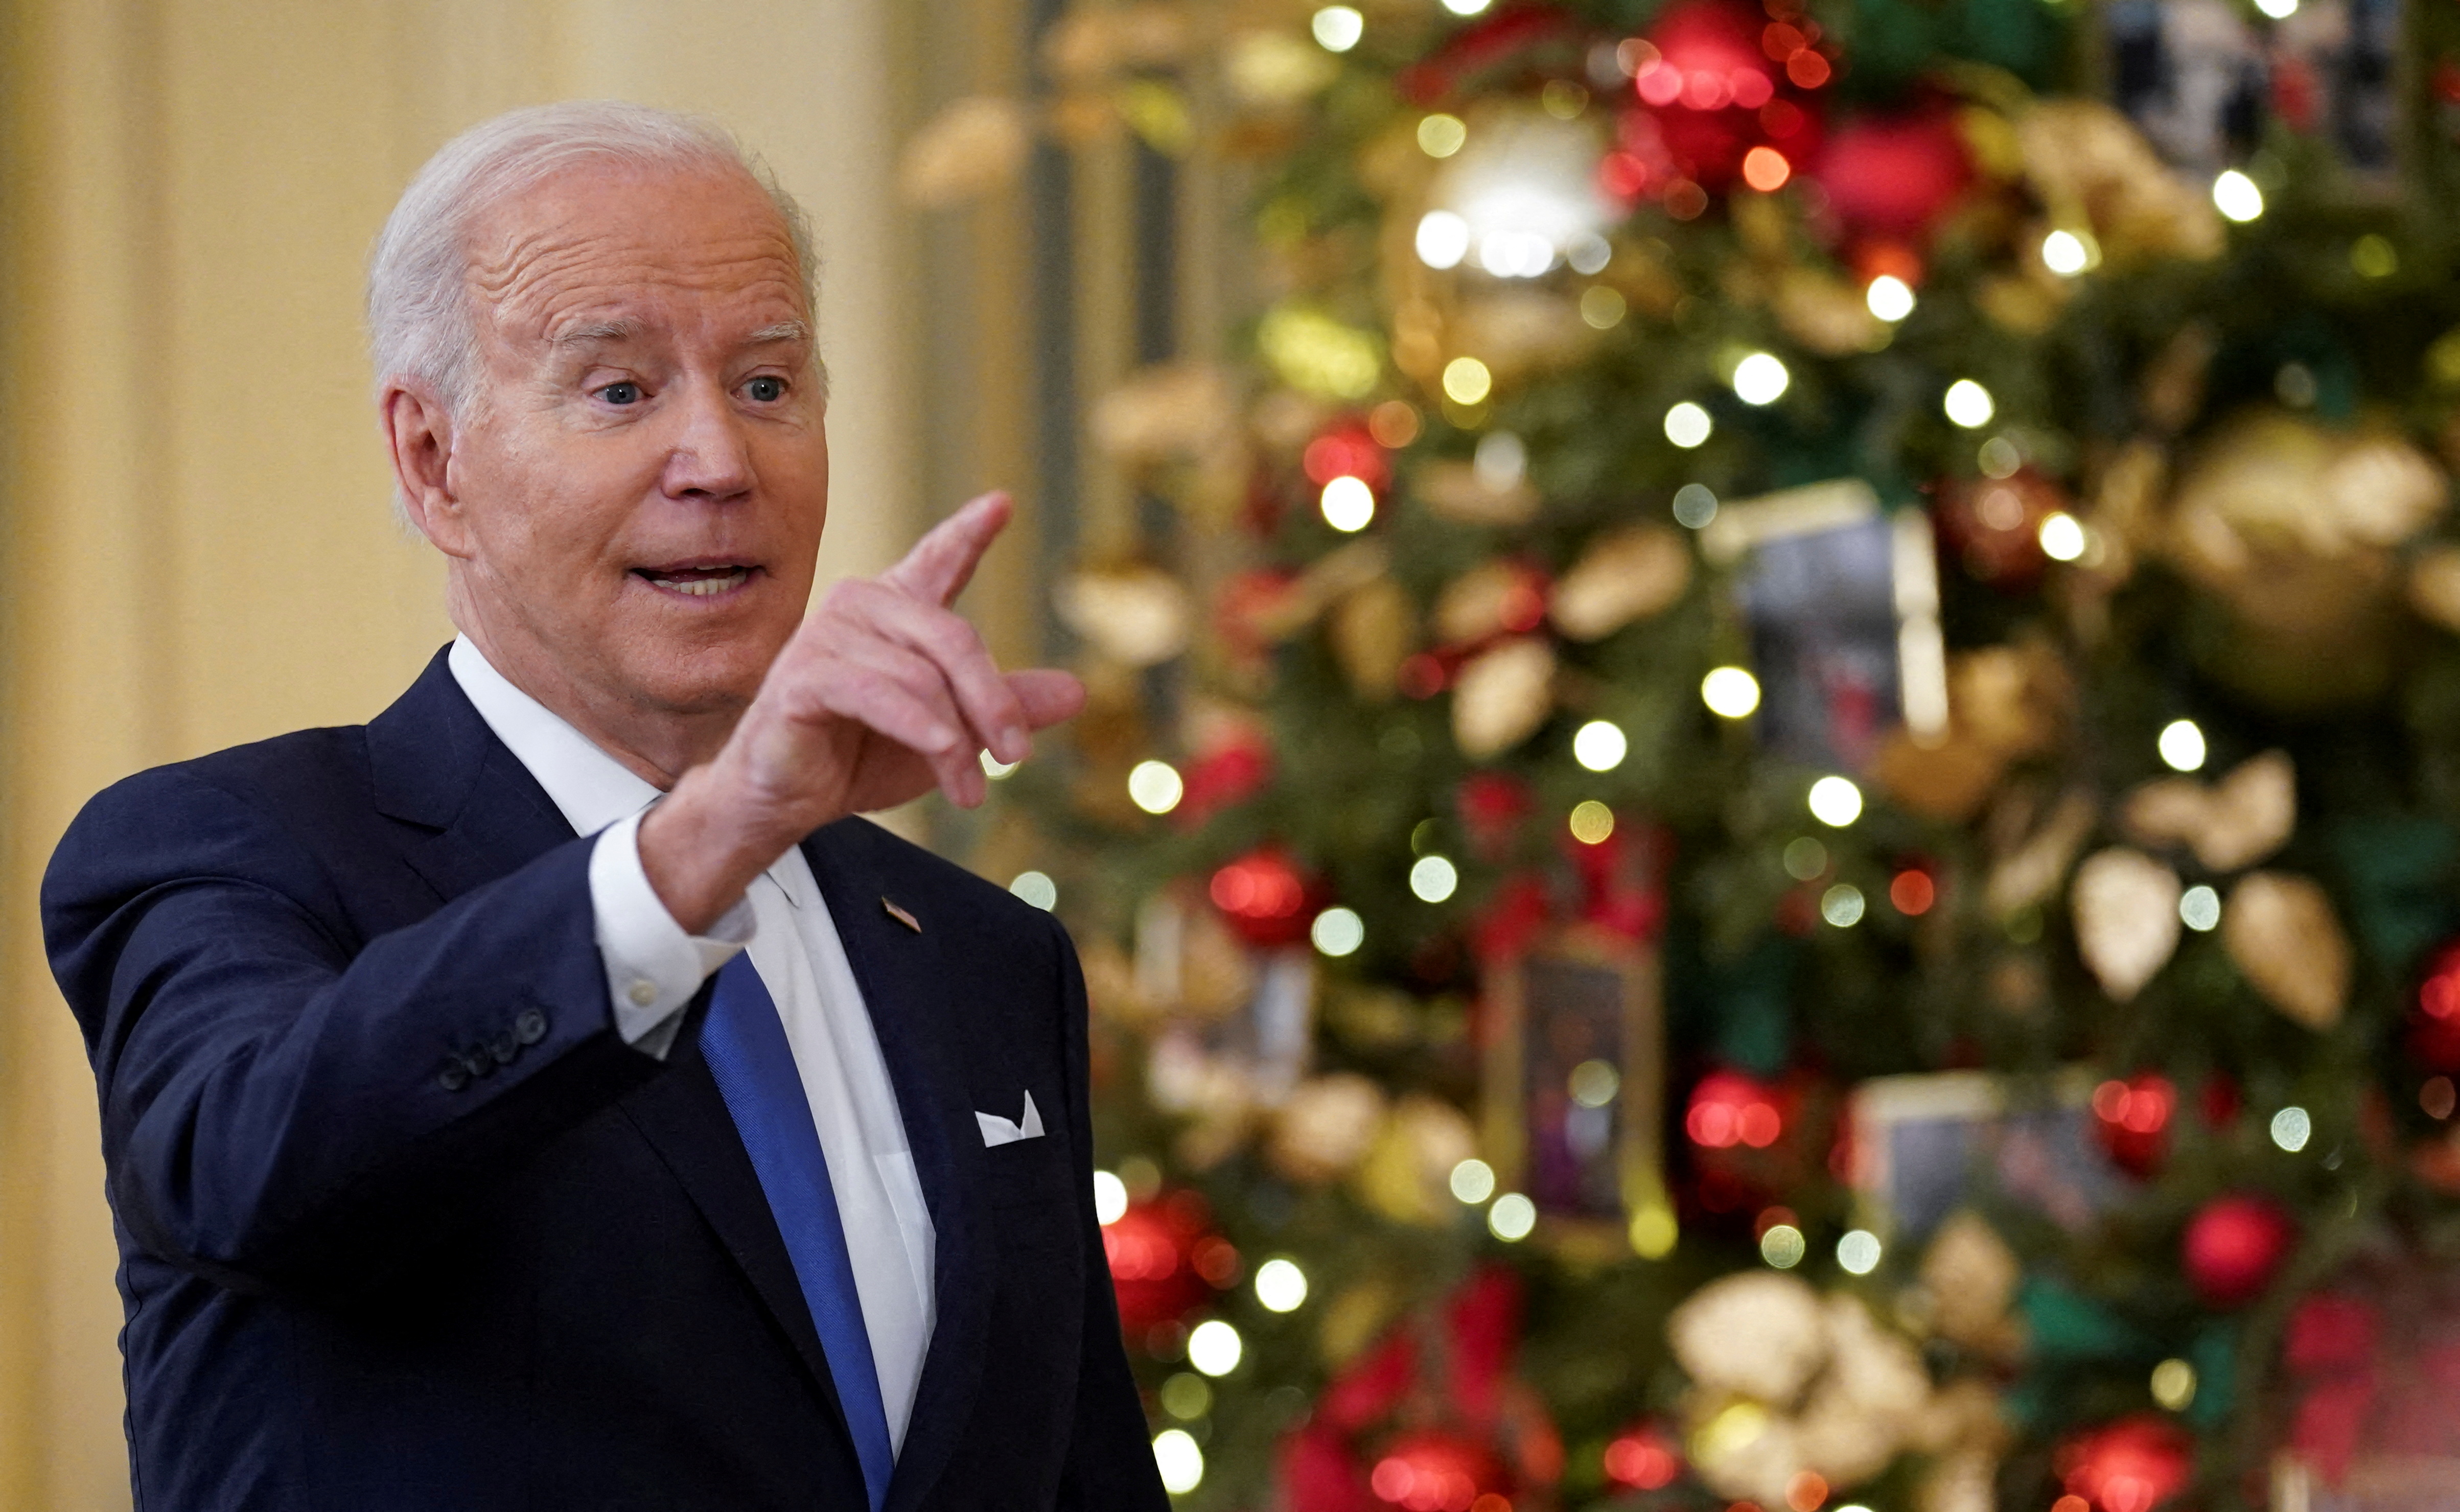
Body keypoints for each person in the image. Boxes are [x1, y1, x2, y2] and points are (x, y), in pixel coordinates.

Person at [41, 101, 1168, 1512]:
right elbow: (258, 1166)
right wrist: (707, 842)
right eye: (620, 391)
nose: (719, 461)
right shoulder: (231, 847)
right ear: (432, 461)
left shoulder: (985, 959)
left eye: (767, 386)